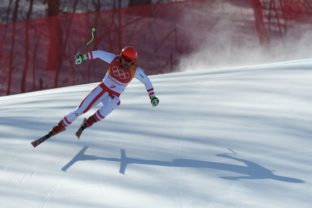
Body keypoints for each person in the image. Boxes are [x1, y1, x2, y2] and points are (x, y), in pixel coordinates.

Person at [45, 46, 159, 139]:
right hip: (102, 89)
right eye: (123, 58)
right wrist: (83, 57)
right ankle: (58, 128)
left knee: (115, 101)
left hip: (113, 96)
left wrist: (152, 96)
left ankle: (90, 121)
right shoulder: (114, 59)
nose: (124, 62)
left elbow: (147, 82)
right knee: (80, 110)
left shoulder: (135, 71)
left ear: (133, 61)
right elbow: (99, 53)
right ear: (120, 56)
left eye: (128, 60)